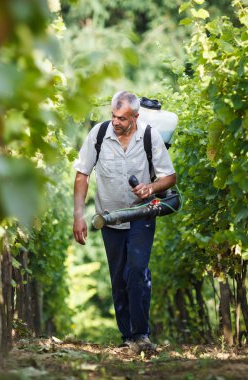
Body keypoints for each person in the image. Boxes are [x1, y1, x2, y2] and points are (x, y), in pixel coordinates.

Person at [72, 91, 176, 352]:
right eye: (113, 116)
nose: (115, 122)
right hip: (109, 219)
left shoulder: (150, 137)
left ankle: (142, 335)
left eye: (121, 118)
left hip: (141, 215)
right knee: (119, 278)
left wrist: (150, 188)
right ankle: (128, 336)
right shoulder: (99, 135)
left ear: (135, 117)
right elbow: (82, 174)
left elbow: (170, 178)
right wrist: (78, 216)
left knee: (137, 272)